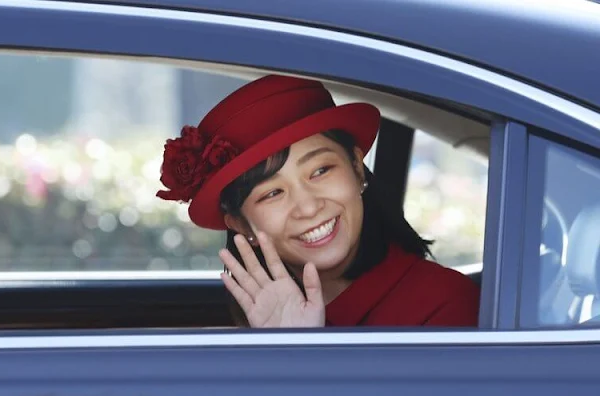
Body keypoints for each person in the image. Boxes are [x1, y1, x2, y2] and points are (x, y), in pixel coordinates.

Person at [156, 74, 480, 328]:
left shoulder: (444, 305)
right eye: (272, 193)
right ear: (242, 225)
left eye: (320, 171)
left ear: (355, 167)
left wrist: (301, 358)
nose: (309, 207)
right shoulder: (265, 315)